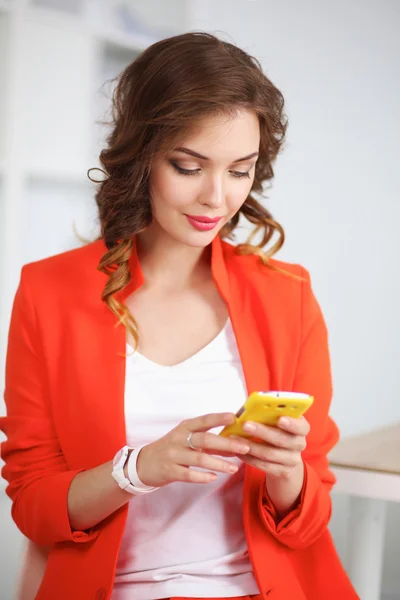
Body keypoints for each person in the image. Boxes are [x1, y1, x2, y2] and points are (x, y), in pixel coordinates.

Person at [0, 32, 358, 600]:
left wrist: (288, 473)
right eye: (189, 166)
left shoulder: (287, 294)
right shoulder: (47, 292)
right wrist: (137, 470)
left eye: (240, 170)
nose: (217, 198)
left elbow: (310, 522)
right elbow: (35, 506)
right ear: (141, 156)